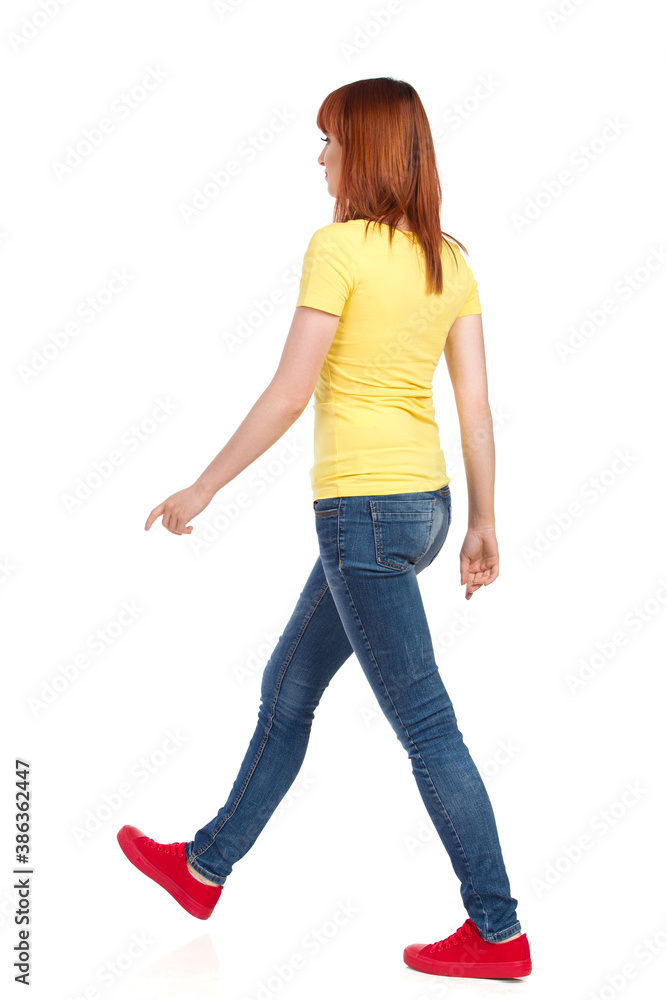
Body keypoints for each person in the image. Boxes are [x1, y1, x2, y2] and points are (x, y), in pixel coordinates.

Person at [117, 77, 532, 981]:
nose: (321, 157)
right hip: (423, 511)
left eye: (330, 141)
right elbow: (477, 411)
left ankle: (497, 932)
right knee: (288, 686)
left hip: (361, 515)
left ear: (367, 152)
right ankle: (202, 867)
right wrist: (482, 523)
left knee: (426, 727)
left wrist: (204, 487)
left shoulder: (337, 247)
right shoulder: (447, 262)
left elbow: (288, 391)